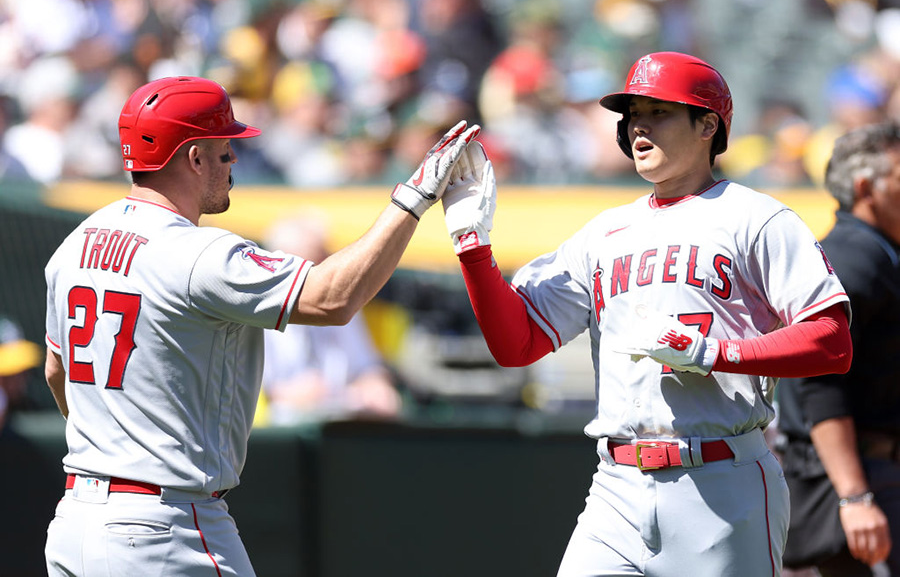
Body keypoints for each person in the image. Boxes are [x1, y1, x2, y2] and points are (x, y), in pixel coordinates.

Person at [42, 75, 479, 576]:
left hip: (76, 517)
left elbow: (59, 373)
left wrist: (111, 446)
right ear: (194, 157)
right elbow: (333, 299)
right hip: (165, 527)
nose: (232, 160)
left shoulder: (74, 243)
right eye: (225, 147)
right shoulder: (199, 253)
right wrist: (414, 199)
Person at [440, 51, 853, 576]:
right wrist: (473, 248)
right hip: (615, 487)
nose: (639, 124)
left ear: (708, 125)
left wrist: (712, 353)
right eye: (634, 112)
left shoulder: (758, 217)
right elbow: (516, 344)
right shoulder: (603, 232)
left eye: (659, 111)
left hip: (721, 481)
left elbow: (833, 342)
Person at [778, 122, 900, 576]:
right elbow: (820, 382)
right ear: (867, 186)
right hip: (853, 479)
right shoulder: (853, 257)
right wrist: (855, 496)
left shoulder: (879, 252)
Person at [261, 211, 401, 423]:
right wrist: (304, 394)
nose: (326, 265)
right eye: (316, 258)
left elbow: (367, 368)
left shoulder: (340, 302)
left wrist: (376, 389)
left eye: (325, 256)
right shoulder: (258, 312)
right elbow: (261, 392)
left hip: (341, 427)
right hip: (279, 434)